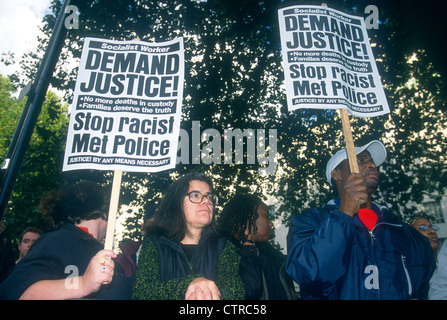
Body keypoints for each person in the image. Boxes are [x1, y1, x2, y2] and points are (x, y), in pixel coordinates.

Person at [286, 140, 436, 300]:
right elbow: (312, 278)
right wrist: (344, 213)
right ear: (337, 174)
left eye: (371, 161)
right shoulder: (310, 223)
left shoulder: (407, 234)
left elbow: (429, 288)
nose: (372, 165)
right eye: (360, 160)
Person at [0, 181, 131, 300]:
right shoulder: (57, 241)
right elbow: (18, 292)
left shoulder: (101, 251)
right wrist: (82, 284)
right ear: (104, 211)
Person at [131, 172, 245, 300]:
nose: (206, 201)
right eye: (195, 195)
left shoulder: (223, 246)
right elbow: (142, 293)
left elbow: (235, 294)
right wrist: (191, 284)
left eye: (209, 197)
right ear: (177, 204)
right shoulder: (154, 244)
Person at [216, 194, 298, 300]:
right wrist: (248, 246)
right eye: (266, 216)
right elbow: (248, 292)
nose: (271, 223)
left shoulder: (272, 255)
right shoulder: (222, 252)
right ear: (248, 218)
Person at [116, 203, 158, 285]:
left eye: (160, 225)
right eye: (151, 224)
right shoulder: (122, 261)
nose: (155, 229)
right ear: (143, 227)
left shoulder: (177, 260)